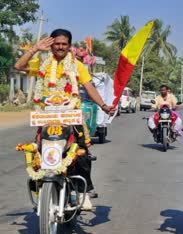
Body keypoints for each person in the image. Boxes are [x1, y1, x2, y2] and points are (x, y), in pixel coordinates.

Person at [14, 29, 115, 210]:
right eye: (57, 43)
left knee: (82, 152)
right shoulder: (43, 64)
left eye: (64, 44)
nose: (60, 47)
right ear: (51, 45)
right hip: (48, 119)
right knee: (39, 151)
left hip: (71, 118)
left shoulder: (77, 66)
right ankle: (41, 188)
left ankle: (82, 191)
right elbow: (19, 67)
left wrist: (103, 105)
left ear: (69, 46)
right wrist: (35, 49)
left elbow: (89, 86)